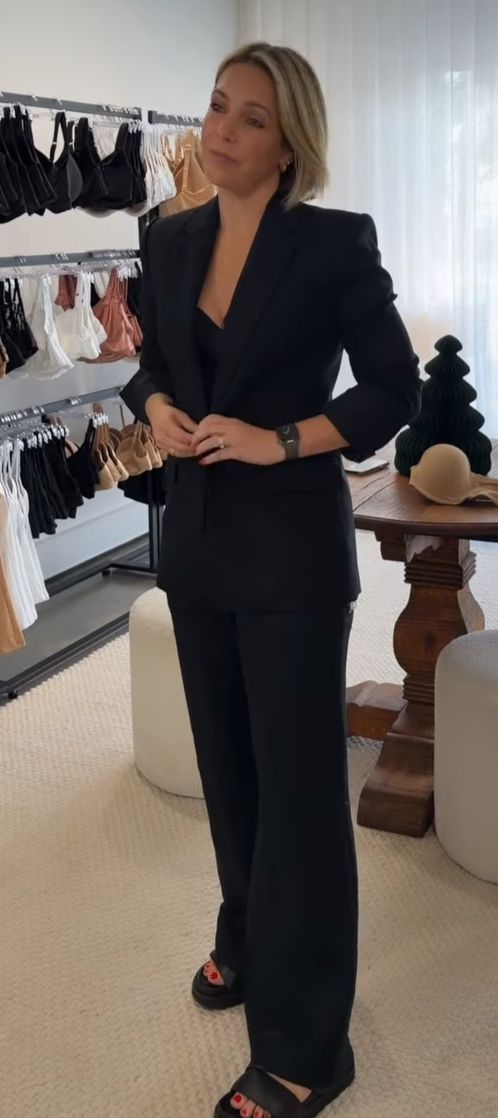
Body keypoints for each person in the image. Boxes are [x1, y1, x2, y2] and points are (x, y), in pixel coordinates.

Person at [121, 41, 421, 1118]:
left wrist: (281, 437)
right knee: (230, 767)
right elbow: (153, 364)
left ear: (289, 143)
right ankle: (247, 936)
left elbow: (392, 387)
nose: (222, 130)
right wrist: (156, 406)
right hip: (198, 543)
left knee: (299, 795)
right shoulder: (168, 237)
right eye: (217, 107)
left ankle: (307, 1047)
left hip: (292, 553)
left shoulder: (333, 244)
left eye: (251, 117)